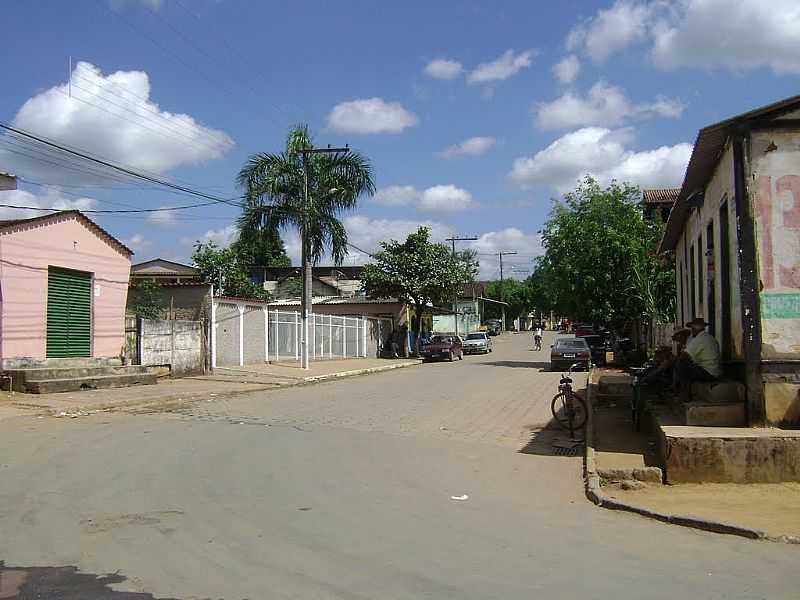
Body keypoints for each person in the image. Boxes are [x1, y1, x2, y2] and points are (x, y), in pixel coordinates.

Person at [675, 317, 722, 400]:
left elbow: (684, 356)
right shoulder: (709, 337)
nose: (691, 331)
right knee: (685, 364)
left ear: (695, 328)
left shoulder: (700, 338)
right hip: (714, 372)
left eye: (692, 328)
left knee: (681, 364)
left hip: (709, 372)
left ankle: (686, 395)